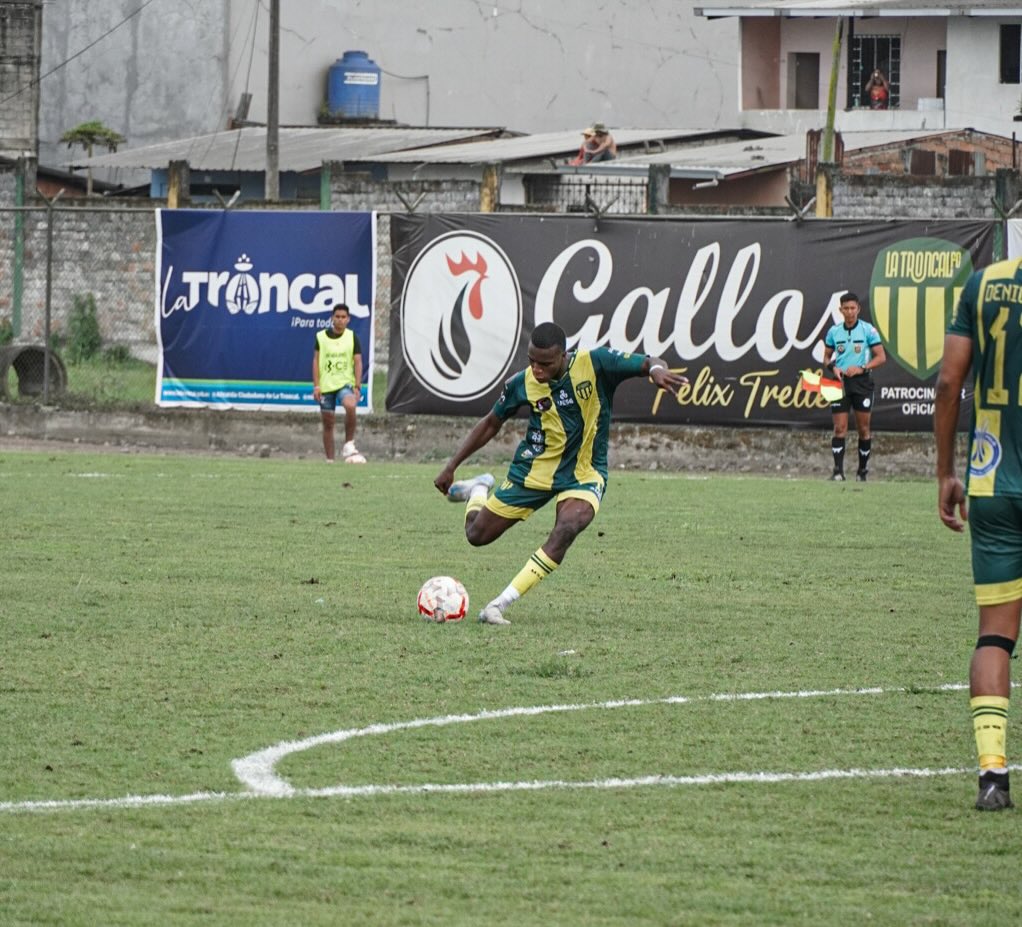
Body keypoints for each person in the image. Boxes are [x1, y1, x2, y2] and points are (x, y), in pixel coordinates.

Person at [433, 321, 687, 625]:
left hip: (585, 472)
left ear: (563, 355)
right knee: (476, 535)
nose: (537, 370)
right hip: (534, 470)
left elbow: (649, 362)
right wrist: (452, 465)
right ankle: (478, 489)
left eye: (545, 363)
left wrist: (656, 371)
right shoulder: (522, 383)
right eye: (532, 361)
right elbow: (491, 422)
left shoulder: (597, 363)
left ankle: (497, 605)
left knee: (568, 526)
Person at [935, 256, 1022, 811]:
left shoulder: (984, 283)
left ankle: (992, 775)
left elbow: (948, 381)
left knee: (994, 635)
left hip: (991, 484)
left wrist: (946, 471)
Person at [822, 291, 886, 481]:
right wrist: (833, 367)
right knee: (839, 428)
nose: (850, 312)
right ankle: (837, 472)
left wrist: (862, 368)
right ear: (840, 310)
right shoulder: (834, 331)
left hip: (862, 383)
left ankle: (862, 471)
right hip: (840, 383)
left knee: (863, 429)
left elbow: (881, 357)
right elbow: (826, 357)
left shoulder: (868, 330)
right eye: (846, 308)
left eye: (853, 308)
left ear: (858, 309)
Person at [312, 303, 364, 463]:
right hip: (327, 385)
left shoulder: (352, 336)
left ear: (348, 319)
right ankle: (330, 460)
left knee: (350, 405)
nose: (340, 320)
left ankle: (349, 444)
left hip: (345, 383)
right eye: (337, 317)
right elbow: (316, 360)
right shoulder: (321, 337)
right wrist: (317, 385)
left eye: (343, 317)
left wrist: (357, 385)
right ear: (332, 318)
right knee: (328, 421)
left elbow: (358, 361)